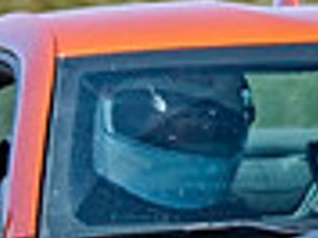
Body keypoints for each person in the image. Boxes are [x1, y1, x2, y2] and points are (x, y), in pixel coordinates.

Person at [78, 67, 254, 224]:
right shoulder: (92, 217)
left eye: (207, 122)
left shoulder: (242, 225)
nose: (196, 128)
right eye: (175, 119)